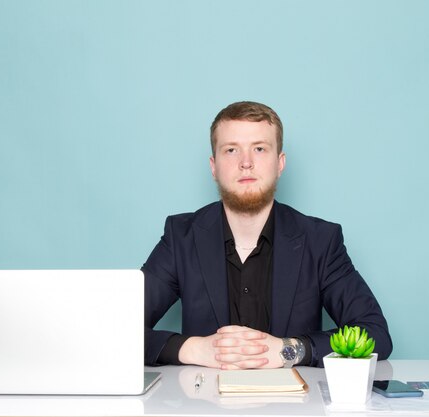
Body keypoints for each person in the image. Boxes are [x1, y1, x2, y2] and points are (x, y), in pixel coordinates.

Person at [142, 101, 392, 369]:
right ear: (214, 166)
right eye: (231, 150)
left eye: (259, 149)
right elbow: (115, 328)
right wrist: (193, 349)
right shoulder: (181, 238)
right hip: (205, 404)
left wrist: (291, 350)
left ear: (280, 163)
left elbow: (374, 333)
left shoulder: (321, 241)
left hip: (294, 407)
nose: (246, 163)